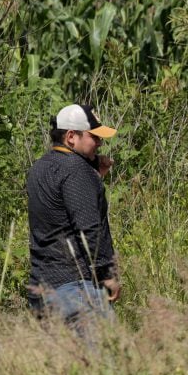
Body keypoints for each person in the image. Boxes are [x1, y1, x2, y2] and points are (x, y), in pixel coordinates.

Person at [26, 104, 120, 338]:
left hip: (43, 286)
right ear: (71, 136)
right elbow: (89, 229)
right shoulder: (78, 171)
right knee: (103, 366)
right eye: (94, 137)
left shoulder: (40, 167)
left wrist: (95, 177)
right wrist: (107, 274)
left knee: (64, 370)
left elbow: (61, 211)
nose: (99, 144)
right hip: (77, 288)